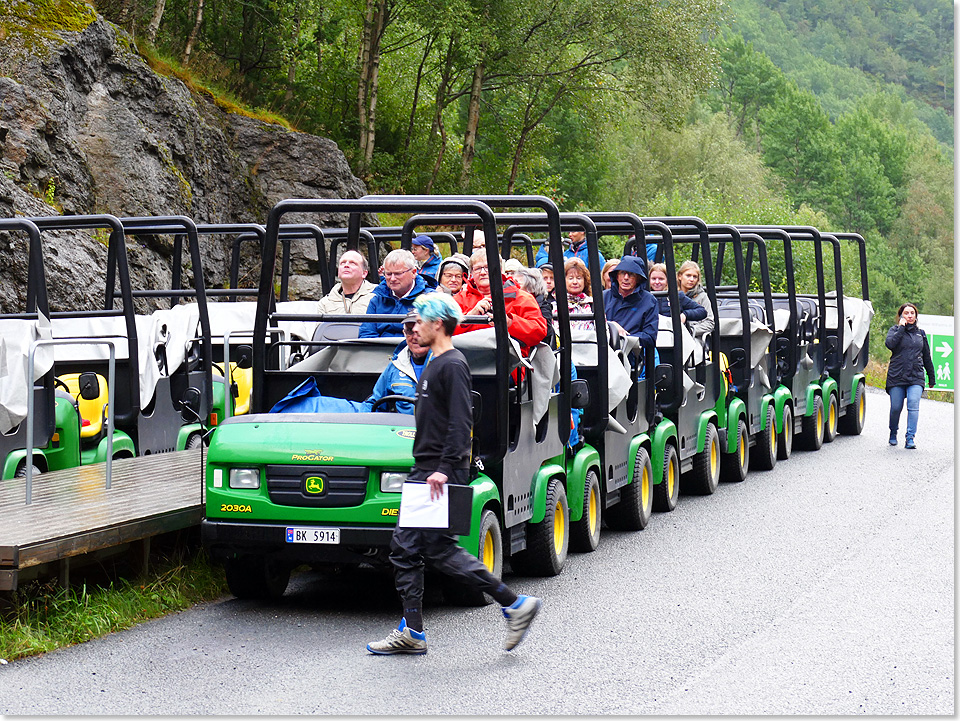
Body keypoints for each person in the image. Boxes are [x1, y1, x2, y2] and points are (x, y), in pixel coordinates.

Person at [366, 293, 542, 655]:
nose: (414, 327)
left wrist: (445, 470)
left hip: (437, 473)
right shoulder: (435, 361)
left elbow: (463, 423)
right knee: (411, 548)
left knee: (431, 549)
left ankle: (512, 604)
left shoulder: (452, 364)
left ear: (439, 324)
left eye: (421, 321)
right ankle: (416, 629)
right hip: (427, 469)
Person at [270, 315, 429, 415]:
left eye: (420, 330)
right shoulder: (396, 367)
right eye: (409, 331)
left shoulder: (446, 363)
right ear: (403, 333)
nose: (415, 336)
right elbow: (373, 405)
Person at [455, 250, 548, 352]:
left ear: (499, 269)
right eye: (477, 268)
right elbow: (442, 332)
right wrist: (469, 317)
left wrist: (509, 322)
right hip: (466, 361)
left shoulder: (521, 298)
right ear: (471, 273)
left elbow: (539, 332)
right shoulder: (458, 300)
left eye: (487, 267)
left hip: (509, 362)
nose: (482, 272)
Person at [885, 302, 935, 449]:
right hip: (897, 376)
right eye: (906, 313)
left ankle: (910, 437)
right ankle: (893, 432)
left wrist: (931, 377)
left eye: (912, 313)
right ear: (901, 316)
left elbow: (926, 357)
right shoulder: (895, 330)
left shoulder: (921, 334)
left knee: (913, 404)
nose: (910, 315)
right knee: (896, 407)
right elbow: (890, 344)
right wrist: (901, 327)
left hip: (916, 376)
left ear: (916, 316)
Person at [360, 249, 437, 337]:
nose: (392, 279)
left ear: (413, 273)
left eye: (398, 274)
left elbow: (434, 336)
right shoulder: (377, 299)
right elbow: (366, 334)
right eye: (388, 274)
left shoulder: (430, 299)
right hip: (380, 349)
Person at [602, 255, 658, 348]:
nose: (626, 277)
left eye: (631, 274)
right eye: (622, 273)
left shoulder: (649, 301)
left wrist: (624, 338)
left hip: (631, 355)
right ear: (617, 276)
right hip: (602, 351)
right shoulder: (603, 296)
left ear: (638, 278)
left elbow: (650, 337)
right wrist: (612, 327)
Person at [317, 250, 377, 315]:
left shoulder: (379, 295)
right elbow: (320, 325)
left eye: (352, 263)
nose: (346, 265)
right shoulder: (325, 303)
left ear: (364, 273)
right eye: (343, 263)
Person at [647, 263, 707, 327]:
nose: (657, 282)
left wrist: (685, 315)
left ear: (668, 280)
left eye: (661, 279)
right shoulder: (644, 297)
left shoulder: (677, 296)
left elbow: (702, 311)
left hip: (671, 332)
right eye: (653, 279)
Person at [514, 265, 556, 350]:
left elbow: (543, 335)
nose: (512, 287)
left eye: (517, 284)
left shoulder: (544, 308)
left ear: (530, 287)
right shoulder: (510, 302)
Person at [676, 260, 715, 339]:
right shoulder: (672, 294)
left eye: (694, 277)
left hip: (695, 337)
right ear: (680, 276)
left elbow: (710, 322)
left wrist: (691, 330)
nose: (691, 279)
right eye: (688, 275)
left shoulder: (702, 296)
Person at [534, 229, 605, 267]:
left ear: (582, 232)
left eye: (573, 231)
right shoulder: (566, 254)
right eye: (569, 232)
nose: (570, 234)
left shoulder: (593, 253)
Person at [563, 258, 595, 331]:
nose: (575, 282)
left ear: (585, 281)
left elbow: (604, 331)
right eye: (571, 278)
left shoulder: (593, 304)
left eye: (579, 278)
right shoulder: (556, 305)